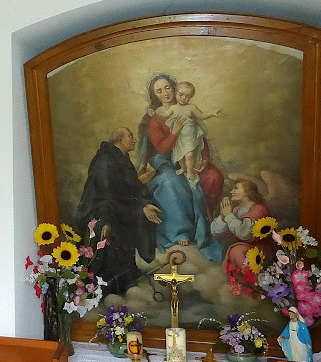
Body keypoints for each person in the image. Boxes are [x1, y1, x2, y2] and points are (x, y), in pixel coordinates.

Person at [134, 74, 223, 261]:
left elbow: (198, 137)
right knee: (171, 182)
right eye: (159, 91)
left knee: (214, 175)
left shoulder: (187, 109)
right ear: (155, 95)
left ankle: (207, 221)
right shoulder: (156, 118)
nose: (165, 93)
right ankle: (180, 231)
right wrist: (174, 132)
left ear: (174, 88)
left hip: (190, 157)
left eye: (168, 87)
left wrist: (204, 160)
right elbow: (162, 149)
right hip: (164, 163)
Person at [73, 127, 162, 296]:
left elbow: (131, 188)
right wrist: (106, 220)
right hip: (101, 212)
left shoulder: (121, 159)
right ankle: (110, 288)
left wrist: (145, 204)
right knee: (112, 243)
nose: (134, 140)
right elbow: (105, 195)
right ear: (120, 140)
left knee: (132, 229)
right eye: (130, 136)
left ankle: (126, 278)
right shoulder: (105, 162)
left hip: (117, 210)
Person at [154, 81, 222, 182]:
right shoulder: (173, 108)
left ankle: (190, 171)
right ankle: (184, 168)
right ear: (176, 93)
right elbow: (164, 115)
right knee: (180, 156)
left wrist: (212, 113)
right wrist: (154, 114)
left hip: (189, 137)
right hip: (179, 138)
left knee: (189, 155)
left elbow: (201, 116)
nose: (183, 98)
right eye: (180, 95)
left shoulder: (192, 107)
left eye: (187, 96)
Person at [211, 180, 274, 277]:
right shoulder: (236, 210)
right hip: (244, 248)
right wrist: (223, 218)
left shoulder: (259, 209)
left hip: (259, 251)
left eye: (236, 188)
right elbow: (215, 231)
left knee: (237, 251)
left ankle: (252, 282)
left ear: (247, 192)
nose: (232, 192)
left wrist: (228, 216)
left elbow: (245, 233)